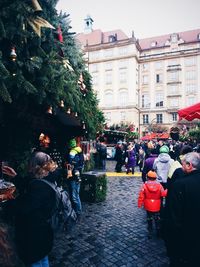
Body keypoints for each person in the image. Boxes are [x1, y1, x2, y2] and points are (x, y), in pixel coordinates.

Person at [2, 152, 60, 267]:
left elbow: (22, 207)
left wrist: (6, 202)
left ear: (33, 165)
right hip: (44, 232)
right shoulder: (48, 177)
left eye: (29, 163)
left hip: (34, 236)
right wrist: (15, 176)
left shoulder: (39, 187)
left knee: (36, 261)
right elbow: (29, 183)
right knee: (43, 259)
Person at [164, 152, 200, 267]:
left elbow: (172, 215)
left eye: (183, 164)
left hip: (185, 238)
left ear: (189, 165)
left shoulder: (180, 184)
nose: (181, 166)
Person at [138, 170, 167, 238]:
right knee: (157, 219)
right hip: (157, 205)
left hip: (148, 205)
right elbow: (163, 194)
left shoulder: (145, 185)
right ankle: (158, 232)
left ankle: (150, 232)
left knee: (149, 219)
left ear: (147, 177)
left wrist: (140, 204)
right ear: (155, 178)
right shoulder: (159, 185)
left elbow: (141, 195)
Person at [67, 138, 84, 218]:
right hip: (78, 176)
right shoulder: (79, 151)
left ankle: (78, 212)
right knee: (76, 194)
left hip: (74, 177)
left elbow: (71, 164)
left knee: (74, 196)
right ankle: (78, 211)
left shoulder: (73, 153)